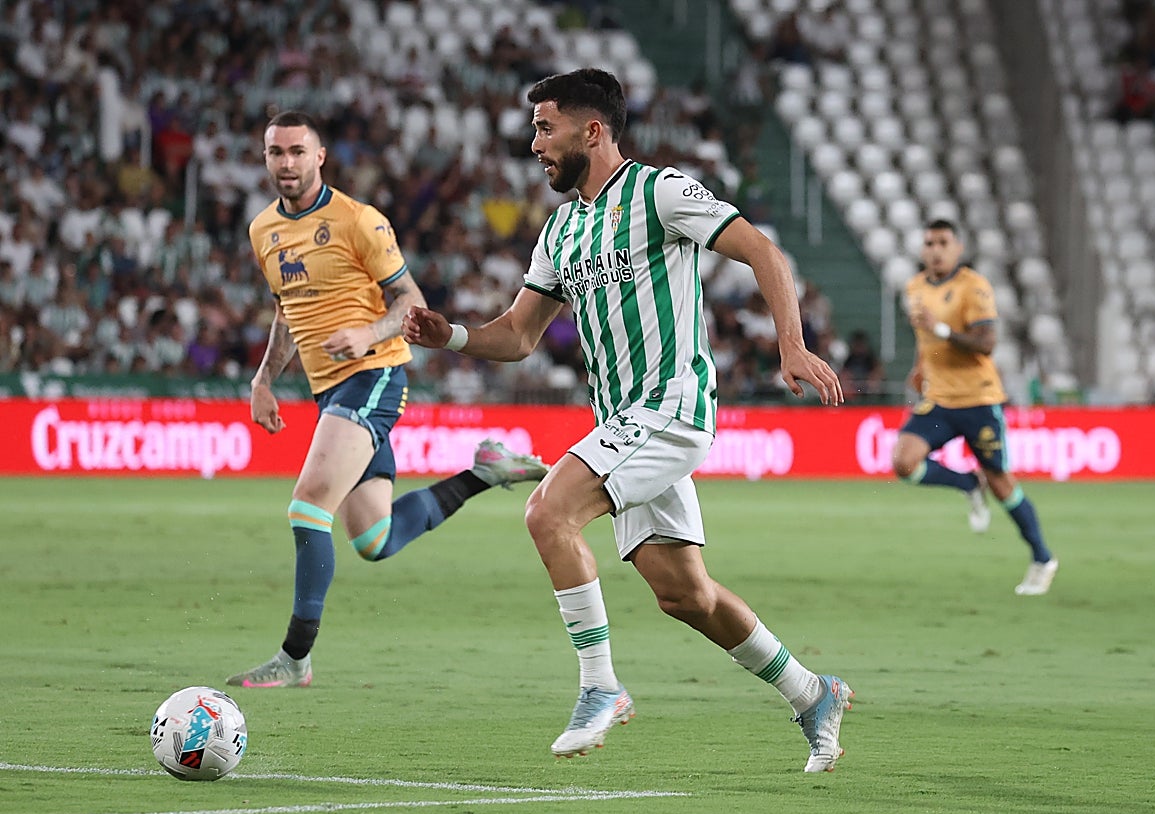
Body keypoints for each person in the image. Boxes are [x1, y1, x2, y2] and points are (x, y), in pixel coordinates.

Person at [402, 69, 853, 771]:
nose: (534, 145)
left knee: (547, 513)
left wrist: (790, 345)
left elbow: (762, 250)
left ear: (593, 131)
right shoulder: (560, 229)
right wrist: (452, 337)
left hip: (671, 405)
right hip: (623, 420)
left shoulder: (660, 192)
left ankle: (599, 687)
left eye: (545, 128)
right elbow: (520, 336)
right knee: (684, 595)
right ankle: (810, 692)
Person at [226, 111, 548, 689]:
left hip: (373, 373)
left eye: (298, 152)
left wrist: (368, 334)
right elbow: (286, 309)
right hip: (328, 389)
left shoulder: (358, 221)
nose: (287, 163)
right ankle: (484, 473)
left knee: (307, 506)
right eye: (276, 153)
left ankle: (295, 657)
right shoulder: (262, 231)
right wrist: (263, 380)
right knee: (374, 539)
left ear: (320, 156)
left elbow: (411, 302)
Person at [892, 219, 1058, 595]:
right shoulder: (914, 287)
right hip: (938, 400)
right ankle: (967, 482)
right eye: (929, 242)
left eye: (943, 242)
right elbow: (924, 338)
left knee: (1003, 486)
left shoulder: (974, 287)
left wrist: (943, 330)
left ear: (957, 248)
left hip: (979, 401)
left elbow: (986, 344)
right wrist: (918, 369)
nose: (935, 249)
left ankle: (1043, 558)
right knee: (904, 462)